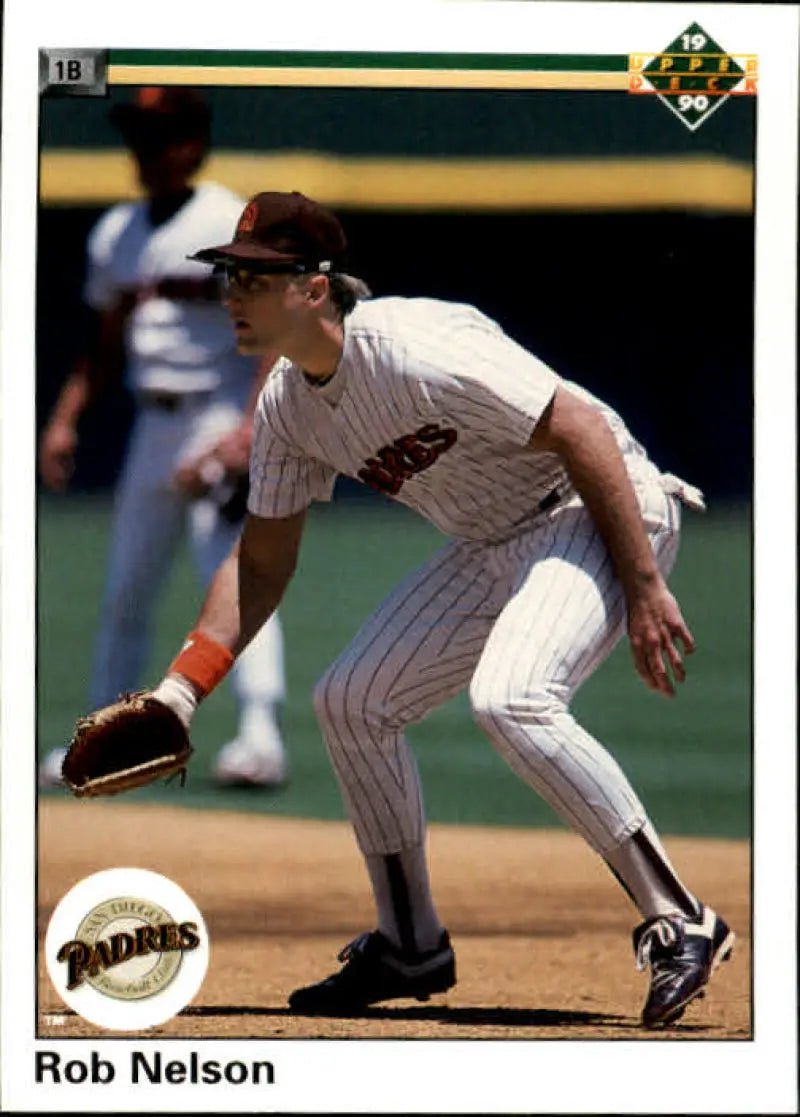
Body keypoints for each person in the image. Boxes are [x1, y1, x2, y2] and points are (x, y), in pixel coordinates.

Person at [134, 190, 735, 1026]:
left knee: (513, 696)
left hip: (594, 508)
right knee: (350, 700)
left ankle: (680, 919)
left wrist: (642, 584)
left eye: (254, 277)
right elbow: (263, 561)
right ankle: (409, 942)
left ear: (314, 287)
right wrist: (183, 687)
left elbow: (585, 426)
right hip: (491, 544)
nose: (232, 292)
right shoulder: (285, 407)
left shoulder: (416, 345)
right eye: (230, 274)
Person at [38, 89, 288, 789]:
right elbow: (102, 343)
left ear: (191, 144)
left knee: (237, 581)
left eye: (159, 136)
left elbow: (270, 329)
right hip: (152, 425)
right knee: (125, 589)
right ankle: (100, 739)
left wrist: (248, 429)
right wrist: (65, 418)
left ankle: (261, 736)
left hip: (216, 414)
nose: (143, 152)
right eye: (137, 137)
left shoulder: (224, 218)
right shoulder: (116, 231)